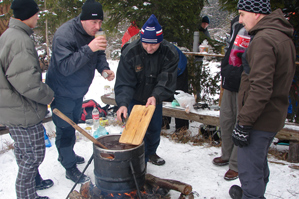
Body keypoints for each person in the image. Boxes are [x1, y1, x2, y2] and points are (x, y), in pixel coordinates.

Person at [230, 0, 296, 198]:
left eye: (243, 14)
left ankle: (252, 194)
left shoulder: (264, 40)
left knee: (249, 167)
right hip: (272, 114)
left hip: (259, 118)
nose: (240, 20)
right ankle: (253, 192)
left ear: (256, 13)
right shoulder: (280, 35)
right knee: (257, 161)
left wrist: (244, 123)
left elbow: (261, 88)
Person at [46, 0, 115, 184]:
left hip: (78, 90)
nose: (98, 27)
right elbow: (66, 67)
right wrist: (89, 48)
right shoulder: (64, 35)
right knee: (64, 127)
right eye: (94, 23)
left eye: (100, 22)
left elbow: (99, 53)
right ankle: (69, 167)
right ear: (83, 20)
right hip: (61, 91)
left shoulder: (95, 32)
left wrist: (104, 69)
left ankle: (68, 154)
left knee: (74, 123)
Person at [0, 0, 55, 198]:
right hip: (21, 110)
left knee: (25, 154)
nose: (38, 17)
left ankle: (31, 190)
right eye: (36, 14)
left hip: (13, 108)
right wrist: (49, 95)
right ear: (28, 14)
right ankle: (26, 196)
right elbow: (27, 83)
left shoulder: (10, 34)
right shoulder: (19, 40)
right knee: (32, 156)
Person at [115, 14, 179, 166]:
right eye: (146, 44)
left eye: (154, 44)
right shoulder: (130, 52)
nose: (149, 48)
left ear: (160, 41)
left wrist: (156, 96)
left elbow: (166, 79)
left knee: (154, 127)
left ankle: (151, 153)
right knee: (135, 129)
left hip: (154, 97)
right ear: (141, 39)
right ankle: (136, 157)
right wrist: (123, 103)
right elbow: (124, 82)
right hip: (135, 97)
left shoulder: (169, 53)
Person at [212, 16, 246, 181]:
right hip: (230, 80)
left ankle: (236, 164)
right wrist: (225, 69)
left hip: (245, 83)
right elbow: (230, 48)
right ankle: (226, 154)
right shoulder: (236, 23)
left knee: (242, 122)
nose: (241, 15)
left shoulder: (256, 26)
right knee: (226, 120)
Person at [162, 45, 189, 131]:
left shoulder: (165, 50)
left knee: (180, 97)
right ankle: (163, 123)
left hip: (180, 70)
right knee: (163, 94)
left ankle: (182, 128)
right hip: (167, 70)